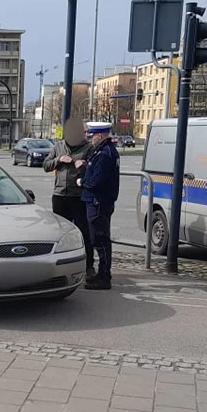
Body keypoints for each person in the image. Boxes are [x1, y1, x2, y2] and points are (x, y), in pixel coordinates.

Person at [43, 117, 95, 279]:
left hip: (78, 196)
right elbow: (46, 165)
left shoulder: (88, 148)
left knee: (83, 232)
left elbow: (94, 170)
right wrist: (58, 160)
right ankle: (59, 267)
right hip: (59, 195)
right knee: (59, 234)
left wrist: (85, 166)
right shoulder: (59, 146)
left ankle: (89, 266)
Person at [78, 121, 121, 290]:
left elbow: (96, 181)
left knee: (99, 239)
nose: (89, 138)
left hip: (98, 201)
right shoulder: (106, 151)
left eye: (92, 135)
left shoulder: (104, 154)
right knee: (100, 238)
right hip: (100, 201)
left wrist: (82, 181)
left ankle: (104, 276)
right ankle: (103, 274)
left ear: (100, 136)